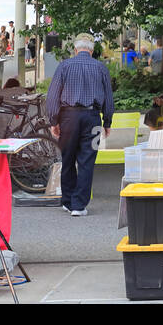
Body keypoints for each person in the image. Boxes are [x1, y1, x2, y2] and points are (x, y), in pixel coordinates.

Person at [46, 33, 114, 216]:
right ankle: (79, 205)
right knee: (87, 160)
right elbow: (108, 97)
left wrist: (54, 120)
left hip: (68, 117)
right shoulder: (101, 68)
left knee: (67, 158)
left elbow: (53, 95)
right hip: (93, 119)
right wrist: (107, 121)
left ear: (75, 50)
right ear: (91, 51)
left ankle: (67, 201)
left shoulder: (64, 66)